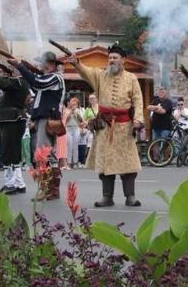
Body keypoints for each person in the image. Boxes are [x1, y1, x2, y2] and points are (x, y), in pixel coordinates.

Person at [70, 44, 144, 207]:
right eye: (110, 58)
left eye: (115, 58)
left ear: (123, 60)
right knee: (104, 163)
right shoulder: (101, 76)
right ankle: (107, 197)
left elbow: (138, 100)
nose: (111, 60)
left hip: (124, 127)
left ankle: (130, 196)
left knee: (128, 163)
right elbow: (87, 72)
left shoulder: (132, 78)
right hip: (104, 126)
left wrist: (138, 119)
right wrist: (77, 64)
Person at [9, 51, 66, 201]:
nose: (41, 65)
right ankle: (52, 190)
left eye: (43, 62)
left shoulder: (55, 77)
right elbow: (36, 85)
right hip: (44, 118)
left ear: (52, 64)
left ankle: (45, 189)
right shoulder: (47, 77)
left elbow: (37, 83)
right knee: (49, 155)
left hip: (48, 118)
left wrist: (20, 66)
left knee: (43, 154)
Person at [0, 62, 30, 195]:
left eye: (13, 68)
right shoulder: (21, 82)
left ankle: (10, 184)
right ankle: (19, 183)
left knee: (8, 152)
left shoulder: (18, 81)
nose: (10, 70)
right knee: (14, 152)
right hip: (14, 119)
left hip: (12, 119)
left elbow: (0, 83)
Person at [62, 96, 84, 170]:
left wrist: (76, 114)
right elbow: (65, 120)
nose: (73, 104)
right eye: (71, 102)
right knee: (69, 146)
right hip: (68, 129)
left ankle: (75, 162)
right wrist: (70, 112)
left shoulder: (77, 110)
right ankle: (68, 163)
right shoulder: (65, 110)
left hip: (76, 128)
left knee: (75, 146)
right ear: (68, 103)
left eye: (74, 103)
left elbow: (81, 120)